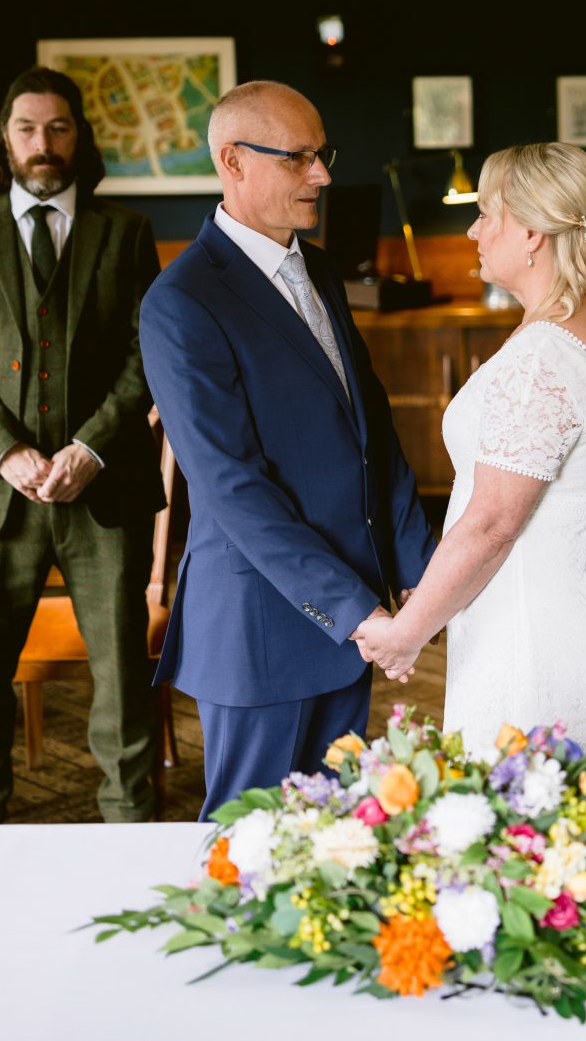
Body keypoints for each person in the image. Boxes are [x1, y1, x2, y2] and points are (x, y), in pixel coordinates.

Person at [138, 81, 436, 813]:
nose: (324, 175)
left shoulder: (323, 270)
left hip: (353, 621)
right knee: (248, 851)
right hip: (262, 631)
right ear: (233, 161)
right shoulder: (181, 301)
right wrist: (358, 612)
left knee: (340, 843)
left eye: (323, 153)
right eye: (300, 157)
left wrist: (430, 584)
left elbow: (375, 440)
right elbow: (232, 486)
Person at [0, 66, 166, 823]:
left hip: (105, 492)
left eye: (58, 127)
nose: (43, 142)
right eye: (27, 127)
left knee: (124, 682)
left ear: (79, 137)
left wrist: (89, 448)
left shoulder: (123, 233)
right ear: (6, 136)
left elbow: (145, 351)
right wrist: (7, 451)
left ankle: (132, 834)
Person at [351, 143, 586, 760]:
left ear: (533, 231)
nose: (473, 229)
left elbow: (491, 524)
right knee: (575, 826)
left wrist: (408, 631)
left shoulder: (544, 354)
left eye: (487, 214)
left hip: (531, 627)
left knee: (526, 822)